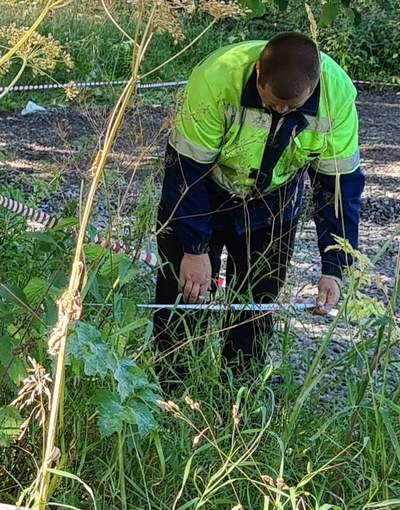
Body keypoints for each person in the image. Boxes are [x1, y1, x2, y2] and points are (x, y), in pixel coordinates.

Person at [153, 31, 365, 370]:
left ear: (313, 88)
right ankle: (169, 387)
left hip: (274, 204)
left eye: (291, 107)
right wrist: (194, 249)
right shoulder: (217, 77)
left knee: (254, 309)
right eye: (272, 102)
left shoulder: (337, 96)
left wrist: (334, 268)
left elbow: (338, 186)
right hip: (205, 191)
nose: (280, 110)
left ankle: (237, 394)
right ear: (257, 76)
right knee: (183, 300)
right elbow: (185, 170)